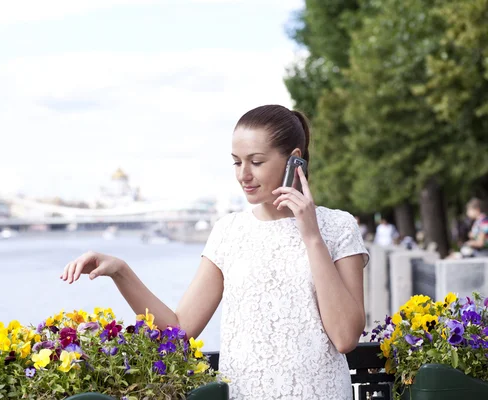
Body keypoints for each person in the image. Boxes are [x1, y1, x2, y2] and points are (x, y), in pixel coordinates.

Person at [60, 105, 369, 399]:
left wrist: (311, 236)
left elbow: (345, 338)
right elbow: (179, 331)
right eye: (237, 162)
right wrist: (120, 271)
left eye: (256, 162)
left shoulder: (337, 227)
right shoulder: (228, 231)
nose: (243, 175)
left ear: (294, 160)